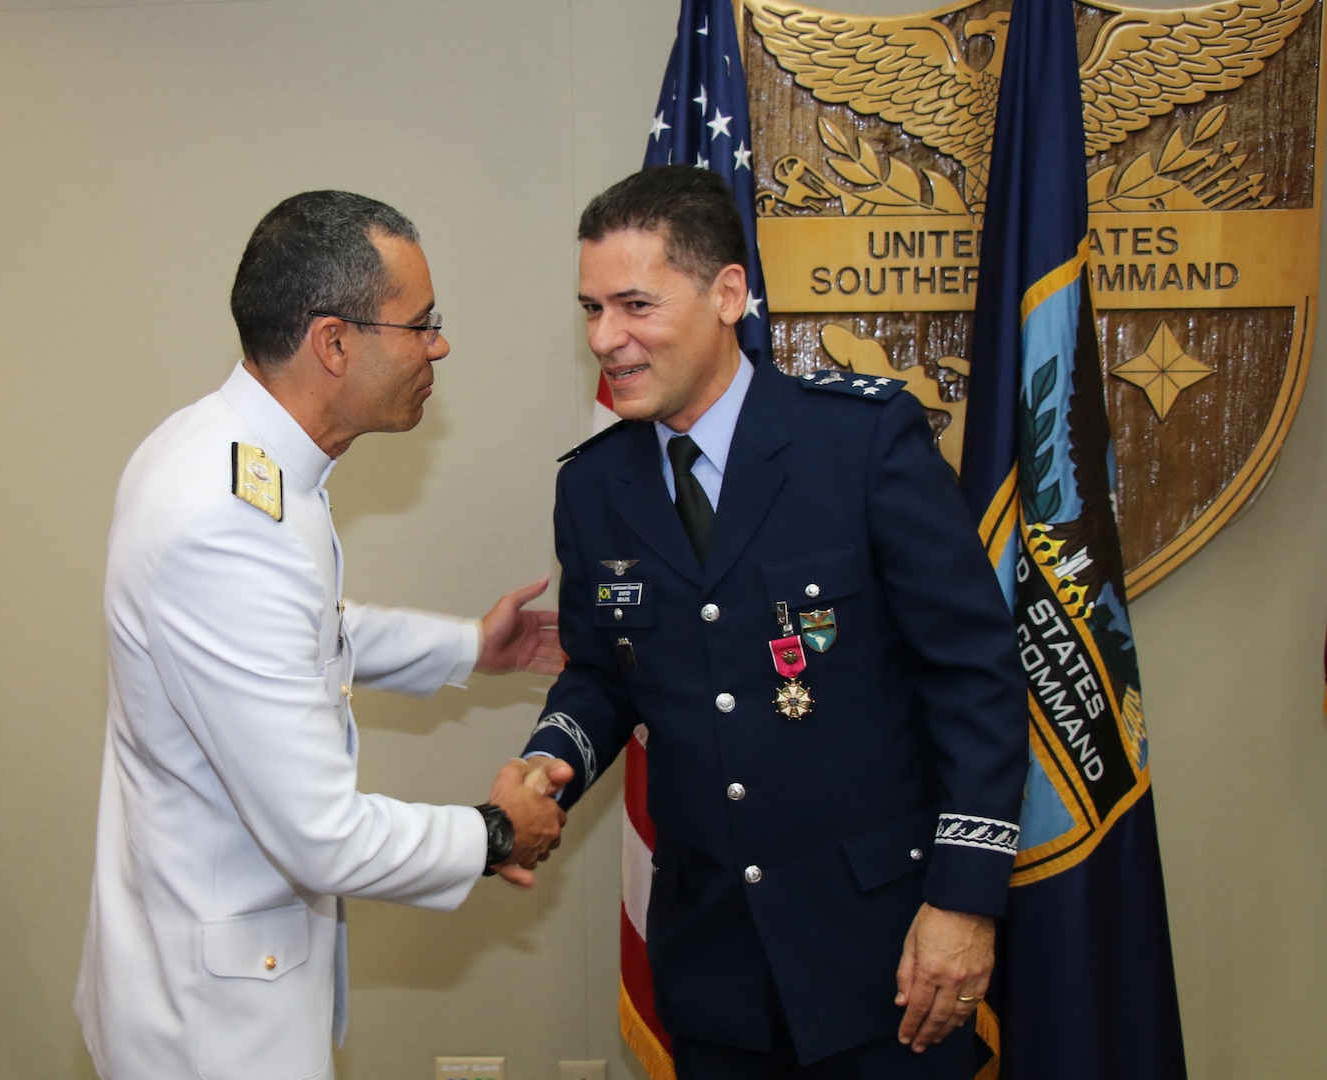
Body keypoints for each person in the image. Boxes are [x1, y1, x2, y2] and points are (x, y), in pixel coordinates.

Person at [521, 166, 1029, 1079]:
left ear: (726, 293)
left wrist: (965, 901)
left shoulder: (860, 444)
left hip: (887, 952)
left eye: (635, 304)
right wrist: (548, 761)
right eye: (591, 309)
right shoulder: (594, 486)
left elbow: (975, 676)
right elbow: (602, 672)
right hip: (713, 960)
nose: (606, 338)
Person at [75, 190, 571, 1080]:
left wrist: (469, 648)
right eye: (422, 324)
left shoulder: (222, 450)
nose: (440, 346)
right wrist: (496, 833)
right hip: (212, 1028)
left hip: (199, 964)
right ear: (335, 342)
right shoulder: (224, 516)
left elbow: (296, 633)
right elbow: (320, 835)